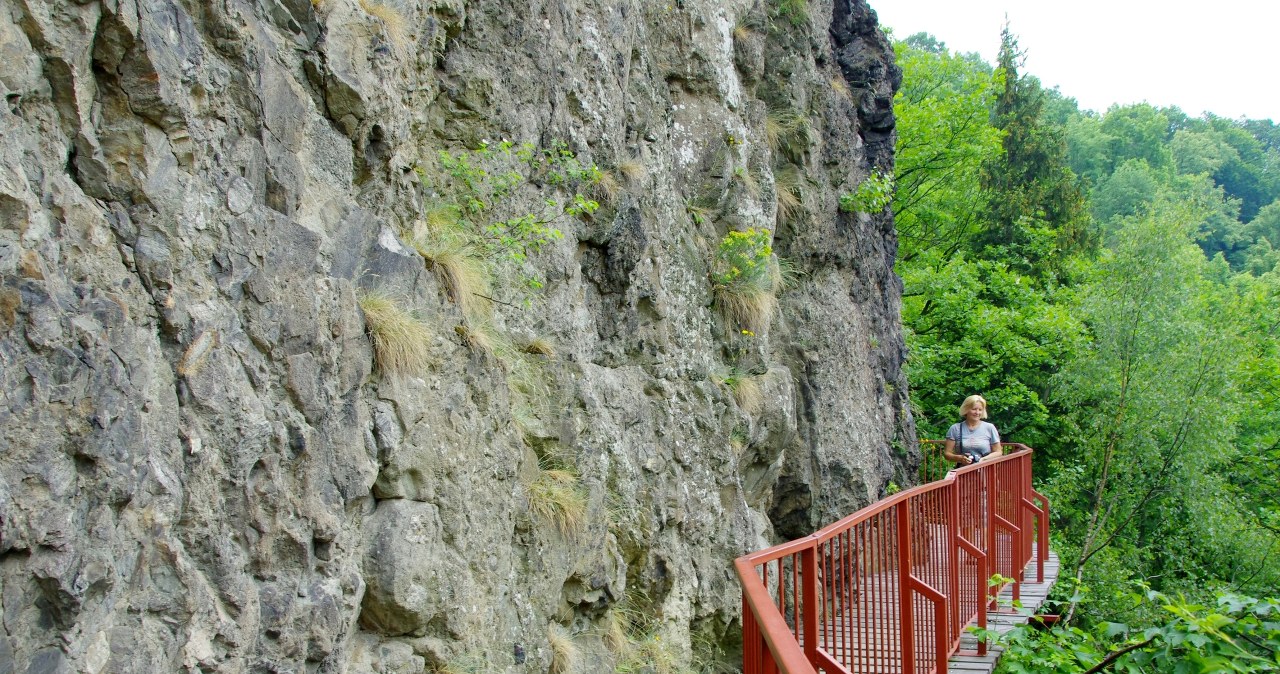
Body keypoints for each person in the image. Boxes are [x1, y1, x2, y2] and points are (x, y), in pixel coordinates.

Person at [943, 394, 1002, 465]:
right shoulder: (955, 428)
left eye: (980, 410)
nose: (977, 413)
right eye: (974, 409)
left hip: (985, 470)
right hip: (964, 471)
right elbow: (947, 454)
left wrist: (983, 459)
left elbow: (998, 452)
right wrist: (960, 458)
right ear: (966, 409)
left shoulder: (989, 428)